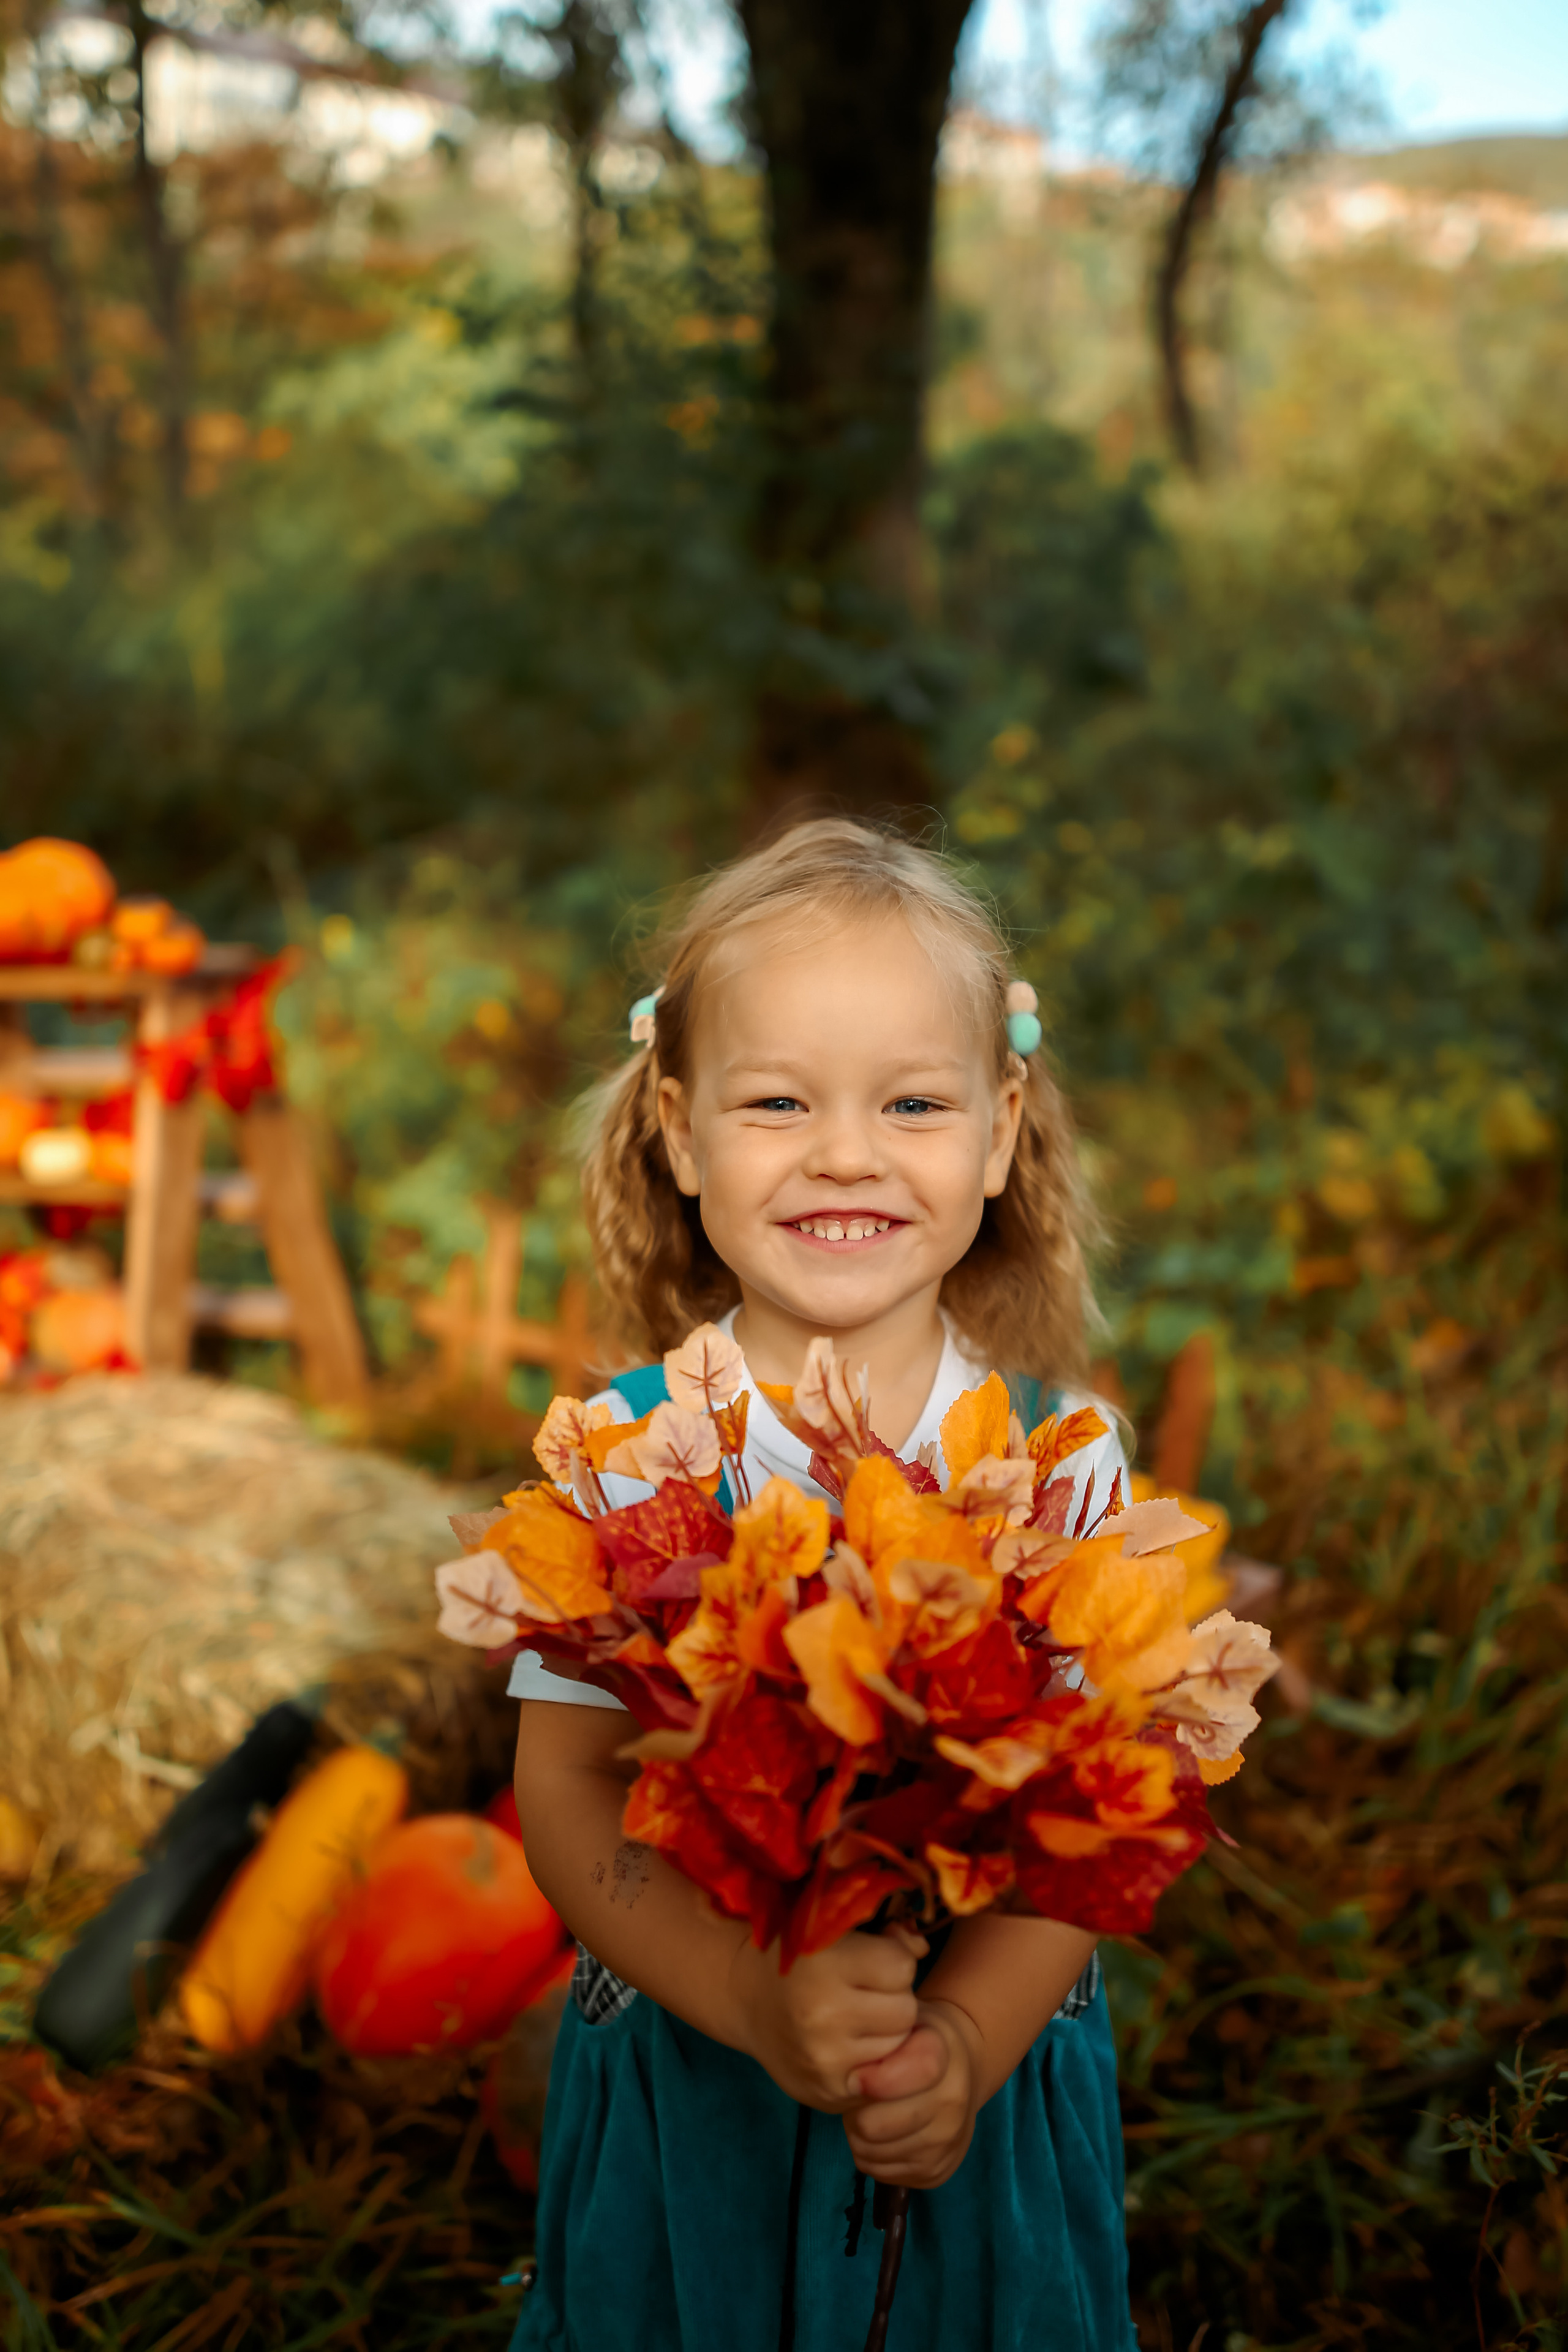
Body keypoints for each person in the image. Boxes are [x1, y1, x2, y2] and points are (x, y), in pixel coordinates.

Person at [509, 820, 1137, 2352]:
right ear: (677, 1126)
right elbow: (566, 1793)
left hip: (961, 2097)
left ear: (997, 1132)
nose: (843, 1154)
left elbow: (1100, 1818)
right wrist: (742, 1995)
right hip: (689, 2075)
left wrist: (965, 2043)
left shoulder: (1057, 1467)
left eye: (911, 1104)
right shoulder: (629, 1461)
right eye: (777, 1102)